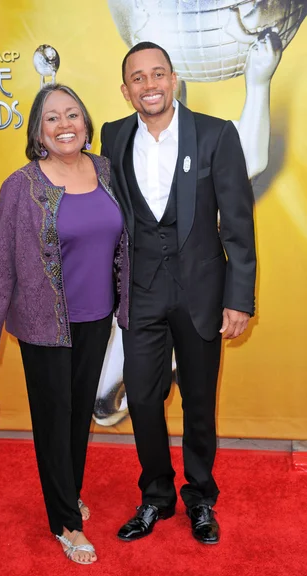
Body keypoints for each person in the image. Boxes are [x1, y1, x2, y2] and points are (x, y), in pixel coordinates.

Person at [101, 42, 256, 544]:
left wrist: (239, 297)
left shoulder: (215, 134)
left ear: (174, 80)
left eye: (158, 74)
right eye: (138, 79)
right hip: (140, 292)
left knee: (198, 402)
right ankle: (156, 496)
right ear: (126, 91)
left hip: (203, 293)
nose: (150, 86)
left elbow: (237, 223)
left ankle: (201, 498)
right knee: (143, 399)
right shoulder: (113, 137)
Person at [0, 83, 129, 564]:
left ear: (86, 123)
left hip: (97, 319)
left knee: (79, 416)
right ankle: (65, 521)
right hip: (44, 326)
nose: (65, 125)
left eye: (73, 115)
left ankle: (67, 493)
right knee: (54, 422)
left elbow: (124, 242)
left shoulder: (103, 170)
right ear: (39, 131)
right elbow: (1, 268)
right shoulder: (21, 186)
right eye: (53, 118)